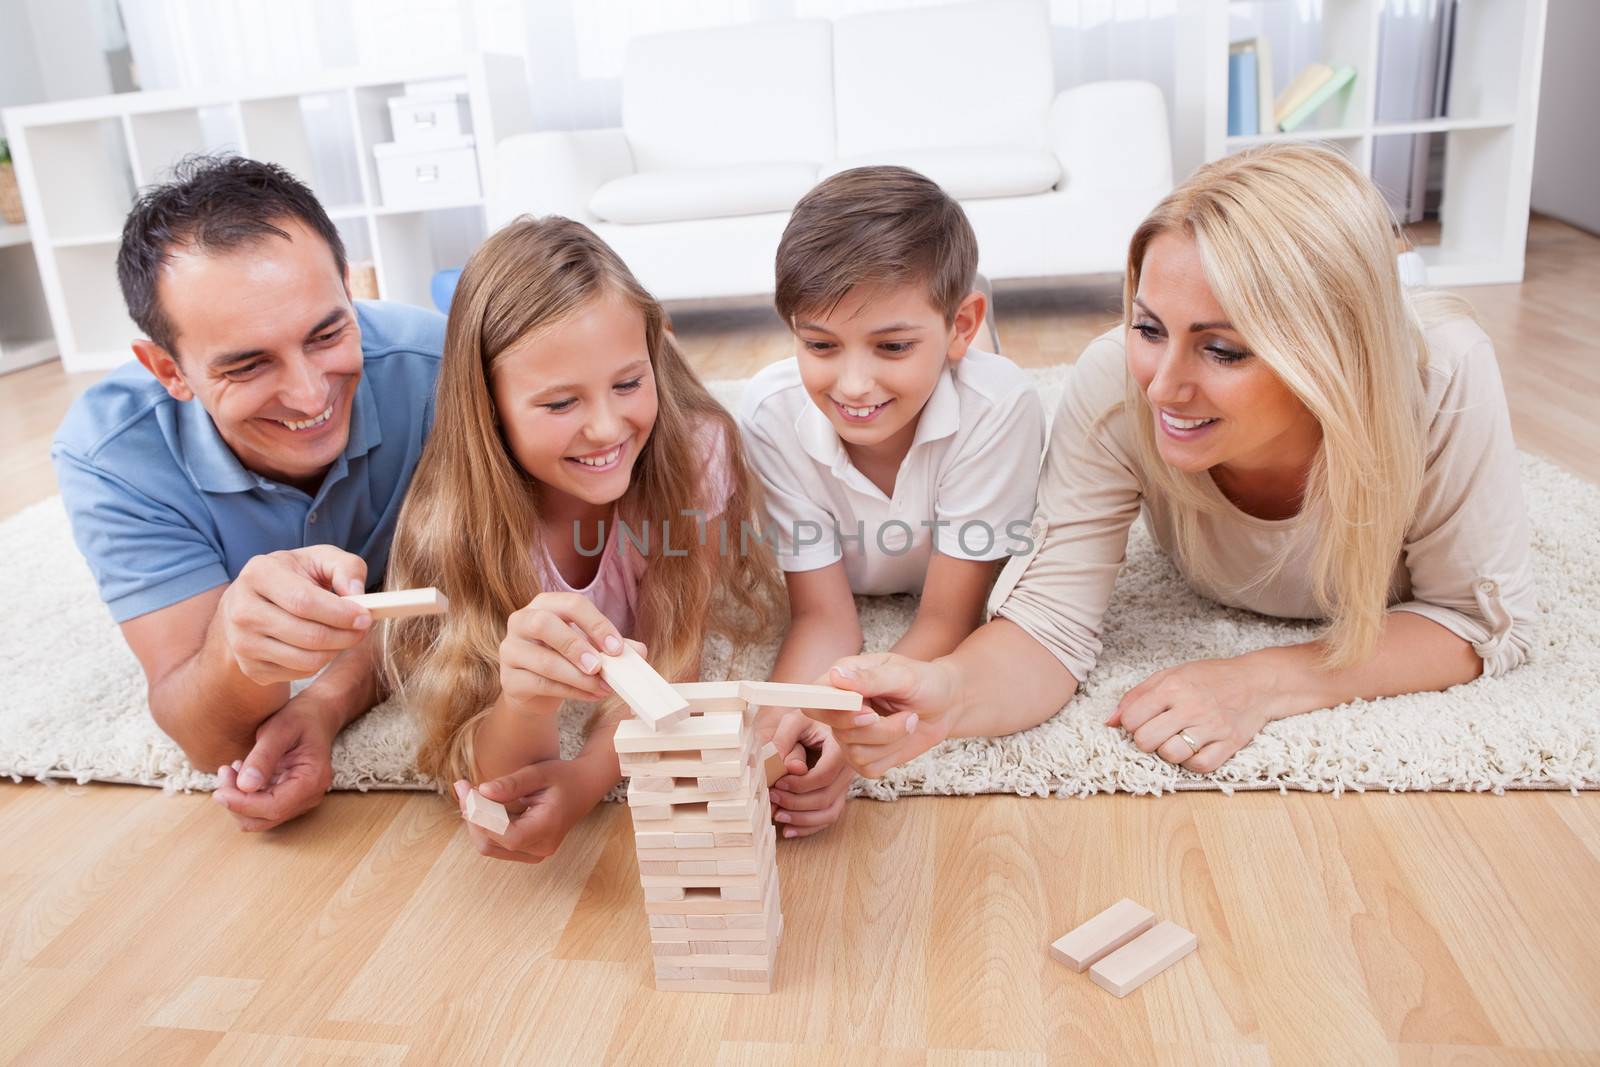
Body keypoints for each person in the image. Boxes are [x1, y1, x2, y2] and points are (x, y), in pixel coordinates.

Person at [809, 144, 1535, 778]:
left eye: (1222, 349)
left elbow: (1473, 617)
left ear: (1329, 354)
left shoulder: (1443, 376)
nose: (1162, 384)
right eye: (1149, 327)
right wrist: (946, 695)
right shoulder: (1115, 382)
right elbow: (1048, 624)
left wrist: (1263, 680)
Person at [51, 155, 445, 829]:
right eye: (249, 363)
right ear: (168, 369)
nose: (310, 393)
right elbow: (204, 736)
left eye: (327, 333)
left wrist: (321, 703)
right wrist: (235, 642)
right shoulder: (109, 455)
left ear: (349, 291)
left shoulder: (442, 369)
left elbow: (473, 590)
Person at [382, 215, 782, 862]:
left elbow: (671, 658)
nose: (605, 428)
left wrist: (586, 778)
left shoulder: (695, 452)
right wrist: (526, 701)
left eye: (628, 383)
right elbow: (488, 767)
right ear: (487, 408)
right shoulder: (457, 513)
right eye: (561, 403)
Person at [735, 165, 1045, 835]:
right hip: (856, 567)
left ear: (961, 324)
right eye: (819, 344)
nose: (852, 383)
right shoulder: (771, 411)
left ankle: (966, 348)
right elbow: (823, 615)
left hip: (949, 574)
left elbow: (946, 616)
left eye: (892, 345)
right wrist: (777, 728)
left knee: (976, 383)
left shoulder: (1002, 409)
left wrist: (849, 736)